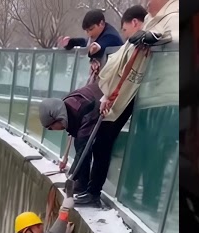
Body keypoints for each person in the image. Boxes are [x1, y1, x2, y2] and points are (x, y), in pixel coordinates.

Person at [63, 4, 155, 207]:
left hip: (127, 100)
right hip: (117, 98)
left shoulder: (144, 36)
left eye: (125, 29)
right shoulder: (134, 42)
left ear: (134, 23)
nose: (123, 34)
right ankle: (90, 189)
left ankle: (93, 193)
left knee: (102, 145)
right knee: (98, 144)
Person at [36, 83, 104, 193]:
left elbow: (83, 149)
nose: (53, 130)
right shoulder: (66, 106)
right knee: (81, 144)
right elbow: (73, 131)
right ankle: (82, 183)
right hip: (97, 102)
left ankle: (87, 189)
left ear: (56, 118)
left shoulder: (82, 109)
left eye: (51, 128)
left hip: (108, 105)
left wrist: (71, 177)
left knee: (97, 149)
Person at [58, 9, 125, 73]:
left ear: (101, 23)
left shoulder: (111, 36)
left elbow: (102, 45)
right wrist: (71, 42)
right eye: (87, 31)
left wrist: (96, 48)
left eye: (91, 29)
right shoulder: (100, 33)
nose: (89, 34)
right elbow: (87, 43)